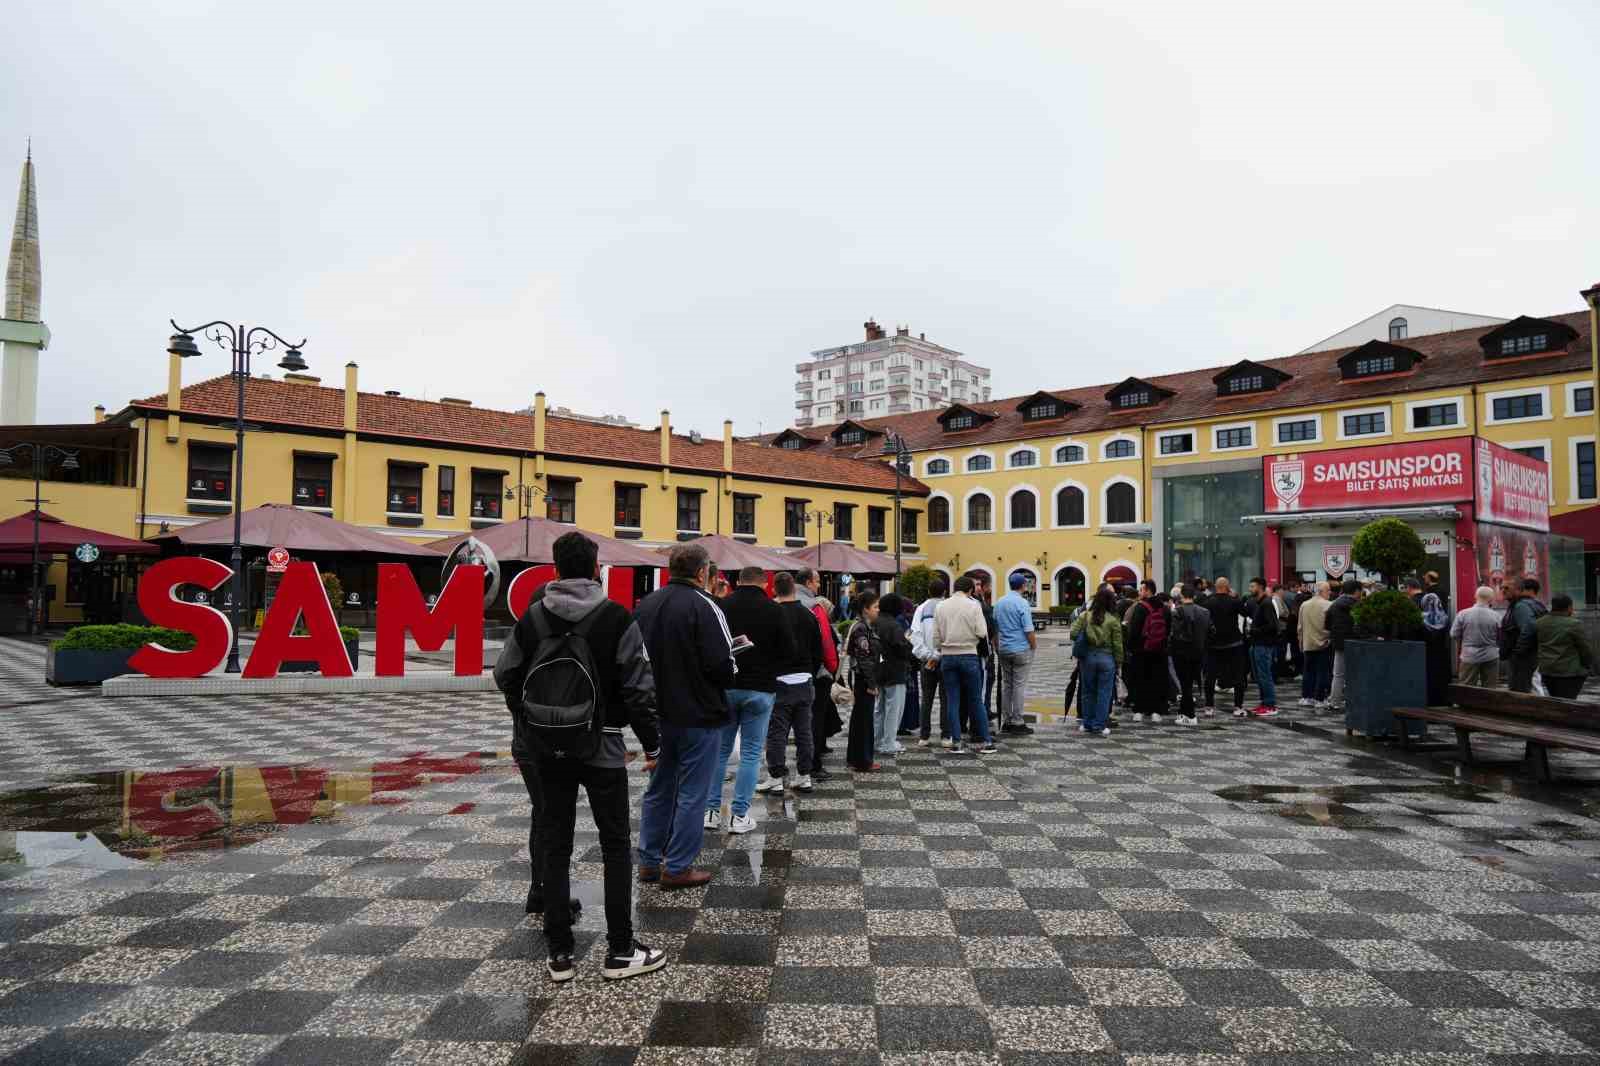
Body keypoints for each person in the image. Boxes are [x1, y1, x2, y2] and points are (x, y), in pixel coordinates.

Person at [494, 531, 665, 982]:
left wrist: (532, 720)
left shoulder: (531, 619)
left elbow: (505, 675)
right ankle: (621, 950)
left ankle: (560, 955)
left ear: (553, 570)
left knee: (556, 843)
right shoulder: (616, 617)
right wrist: (652, 744)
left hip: (547, 749)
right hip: (604, 747)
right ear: (595, 569)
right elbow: (639, 688)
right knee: (614, 846)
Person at [633, 542, 737, 891]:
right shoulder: (707, 606)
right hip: (698, 712)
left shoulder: (646, 605)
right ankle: (677, 866)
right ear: (702, 572)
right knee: (694, 791)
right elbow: (723, 665)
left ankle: (648, 860)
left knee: (660, 787)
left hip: (658, 712)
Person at [705, 566, 794, 834]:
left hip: (727, 687)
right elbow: (790, 651)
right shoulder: (774, 610)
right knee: (751, 754)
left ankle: (710, 812)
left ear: (737, 582)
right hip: (761, 689)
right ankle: (739, 815)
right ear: (765, 584)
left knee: (720, 751)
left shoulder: (721, 606)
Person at [760, 571, 821, 796]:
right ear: (794, 589)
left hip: (780, 680)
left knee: (777, 732)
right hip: (804, 679)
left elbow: (765, 649)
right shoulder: (809, 615)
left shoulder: (771, 614)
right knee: (804, 731)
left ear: (774, 589)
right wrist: (809, 672)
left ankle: (776, 777)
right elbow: (818, 650)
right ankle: (804, 776)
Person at [935, 575, 997, 755]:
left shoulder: (941, 606)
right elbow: (982, 632)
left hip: (948, 656)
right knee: (976, 699)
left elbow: (936, 637)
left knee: (952, 700)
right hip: (969, 654)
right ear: (970, 590)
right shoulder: (974, 605)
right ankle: (986, 742)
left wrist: (944, 646)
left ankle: (956, 742)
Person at [795, 568, 841, 780]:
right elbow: (826, 643)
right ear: (807, 582)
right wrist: (831, 667)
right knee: (814, 719)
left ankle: (777, 771)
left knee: (783, 723)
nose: (819, 585)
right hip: (814, 672)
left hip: (783, 674)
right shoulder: (815, 607)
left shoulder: (777, 603)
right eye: (816, 581)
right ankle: (811, 765)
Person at [1070, 586, 1124, 736]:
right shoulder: (1113, 620)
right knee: (1104, 693)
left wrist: (1085, 637)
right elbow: (1118, 644)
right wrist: (1119, 662)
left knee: (1087, 691)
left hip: (1087, 657)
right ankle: (1099, 725)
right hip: (1107, 658)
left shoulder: (1085, 616)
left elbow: (1073, 633)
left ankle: (1087, 723)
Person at [844, 589, 884, 771]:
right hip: (863, 679)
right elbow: (864, 658)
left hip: (862, 677)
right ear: (865, 609)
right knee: (864, 719)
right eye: (875, 607)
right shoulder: (861, 629)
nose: (878, 610)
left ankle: (856, 757)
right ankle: (862, 760)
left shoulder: (865, 627)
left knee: (860, 718)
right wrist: (872, 684)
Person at [995, 572, 1038, 736]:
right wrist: (1033, 646)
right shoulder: (1022, 603)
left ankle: (1006, 720)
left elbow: (995, 628)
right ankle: (1018, 720)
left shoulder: (999, 602)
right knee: (1019, 685)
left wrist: (997, 646)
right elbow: (1028, 629)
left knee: (1007, 685)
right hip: (1020, 649)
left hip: (1004, 648)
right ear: (1023, 586)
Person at [872, 592, 915, 756]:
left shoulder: (876, 622)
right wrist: (909, 645)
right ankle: (889, 742)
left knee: (880, 708)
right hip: (895, 670)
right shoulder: (893, 625)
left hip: (879, 670)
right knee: (893, 708)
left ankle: (877, 740)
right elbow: (901, 647)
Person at [910, 577, 948, 746]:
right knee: (946, 698)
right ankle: (946, 735)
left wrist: (927, 655)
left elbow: (915, 634)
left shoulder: (921, 609)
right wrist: (940, 653)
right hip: (946, 657)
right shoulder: (948, 607)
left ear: (928, 591)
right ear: (945, 592)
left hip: (927, 660)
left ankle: (924, 736)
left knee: (926, 698)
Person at [1125, 580, 1169, 723]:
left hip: (1141, 650)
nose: (1140, 592)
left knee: (1140, 680)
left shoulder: (1140, 607)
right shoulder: (1164, 607)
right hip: (1160, 650)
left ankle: (1139, 710)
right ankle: (1156, 711)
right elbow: (1168, 629)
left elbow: (1134, 631)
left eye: (1142, 589)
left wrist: (1131, 648)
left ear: (1148, 590)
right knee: (1157, 679)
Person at [1536, 594, 1593, 699]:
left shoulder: (1540, 622)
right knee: (1568, 701)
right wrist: (1587, 665)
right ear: (1569, 607)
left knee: (1556, 699)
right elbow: (1585, 649)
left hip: (1547, 671)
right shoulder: (1573, 624)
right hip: (1569, 672)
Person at [1204, 577, 1247, 715]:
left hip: (1213, 644)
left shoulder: (1208, 602)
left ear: (1216, 587)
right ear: (1228, 587)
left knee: (1210, 676)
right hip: (1233, 643)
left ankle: (1209, 707)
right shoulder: (1234, 601)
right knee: (1238, 676)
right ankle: (1238, 706)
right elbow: (1246, 613)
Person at [1169, 584, 1210, 725]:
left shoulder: (1176, 612)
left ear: (1181, 596)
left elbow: (1174, 633)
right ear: (1194, 596)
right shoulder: (1204, 612)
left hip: (1181, 652)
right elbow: (1210, 630)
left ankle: (1190, 715)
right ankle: (1184, 712)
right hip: (1199, 651)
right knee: (1191, 682)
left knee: (1185, 683)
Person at [1451, 586, 1502, 689]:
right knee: (1490, 688)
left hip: (1469, 655)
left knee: (1467, 687)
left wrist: (1462, 643)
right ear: (1491, 599)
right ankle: (1487, 705)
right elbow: (1501, 637)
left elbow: (1453, 634)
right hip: (1490, 655)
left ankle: (1466, 705)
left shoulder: (1463, 614)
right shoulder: (1496, 616)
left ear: (1475, 596)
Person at [1503, 576, 1547, 693]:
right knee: (1530, 687)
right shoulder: (1528, 604)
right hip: (1529, 655)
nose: (1503, 590)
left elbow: (1529, 628)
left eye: (1507, 588)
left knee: (1521, 691)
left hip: (1524, 658)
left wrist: (1518, 652)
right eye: (1502, 587)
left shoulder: (1521, 606)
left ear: (1518, 589)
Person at [1325, 578, 1363, 711]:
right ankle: (1353, 701)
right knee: (1355, 674)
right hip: (1355, 642)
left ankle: (1334, 701)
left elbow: (1327, 623)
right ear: (1357, 591)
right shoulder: (1358, 605)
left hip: (1338, 643)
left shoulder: (1334, 604)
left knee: (1338, 674)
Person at [1244, 577, 1280, 717]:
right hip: (1257, 643)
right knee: (1259, 675)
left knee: (1265, 675)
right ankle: (1264, 703)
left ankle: (1270, 704)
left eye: (1253, 586)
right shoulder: (1259, 603)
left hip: (1264, 645)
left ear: (1260, 587)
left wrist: (1254, 630)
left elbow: (1273, 626)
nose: (1250, 589)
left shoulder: (1266, 603)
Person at [1297, 581, 1332, 709]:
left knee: (1308, 671)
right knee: (1322, 672)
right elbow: (1331, 626)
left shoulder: (1304, 605)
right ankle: (1319, 698)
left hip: (1307, 643)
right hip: (1324, 643)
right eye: (1328, 590)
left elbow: (1300, 627)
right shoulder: (1329, 605)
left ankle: (1307, 697)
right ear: (1322, 591)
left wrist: (1301, 642)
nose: (1330, 593)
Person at [1420, 590, 1453, 706]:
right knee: (1441, 681)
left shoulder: (1421, 619)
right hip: (1442, 655)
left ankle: (1430, 702)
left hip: (1427, 654)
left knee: (1430, 680)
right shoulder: (1444, 618)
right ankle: (1443, 701)